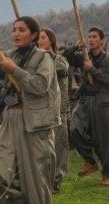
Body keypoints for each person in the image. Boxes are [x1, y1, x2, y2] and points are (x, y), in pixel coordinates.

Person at [0, 16, 60, 203]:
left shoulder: (44, 57)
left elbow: (41, 86)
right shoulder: (10, 55)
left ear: (33, 35)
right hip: (10, 120)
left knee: (35, 183)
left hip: (34, 123)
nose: (16, 33)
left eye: (22, 30)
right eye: (14, 29)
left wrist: (15, 70)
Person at [65, 27, 109, 186]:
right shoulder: (85, 57)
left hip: (103, 102)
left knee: (105, 139)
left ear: (102, 40)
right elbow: (67, 58)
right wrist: (75, 47)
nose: (91, 39)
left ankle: (108, 173)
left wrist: (93, 70)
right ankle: (90, 160)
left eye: (95, 37)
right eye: (89, 37)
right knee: (75, 129)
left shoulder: (108, 59)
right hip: (86, 101)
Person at [38, 29, 69, 194]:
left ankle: (56, 180)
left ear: (51, 40)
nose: (39, 40)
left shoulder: (60, 60)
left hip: (59, 108)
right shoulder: (36, 61)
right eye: (38, 38)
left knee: (59, 145)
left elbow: (61, 70)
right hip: (41, 108)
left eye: (43, 38)